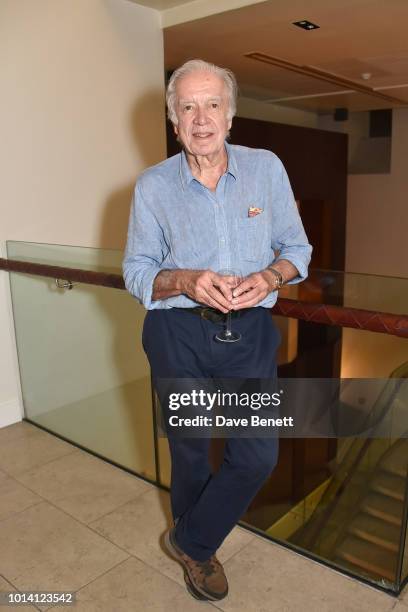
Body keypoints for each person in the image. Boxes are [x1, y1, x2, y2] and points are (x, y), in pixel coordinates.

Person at [123, 59, 312, 602]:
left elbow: (297, 250)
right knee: (190, 449)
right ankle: (201, 554)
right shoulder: (153, 186)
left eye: (212, 105)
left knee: (256, 454)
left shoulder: (265, 168)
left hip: (248, 331)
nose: (200, 118)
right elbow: (136, 271)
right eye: (187, 107)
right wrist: (183, 279)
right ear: (173, 119)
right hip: (176, 333)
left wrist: (269, 277)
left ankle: (188, 539)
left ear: (230, 116)